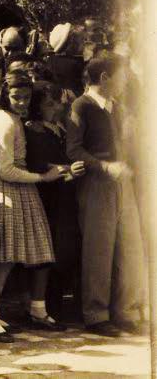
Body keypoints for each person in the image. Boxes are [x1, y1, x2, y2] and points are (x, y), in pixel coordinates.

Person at [0, 71, 66, 343]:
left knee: (33, 252)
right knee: (6, 257)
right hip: (9, 189)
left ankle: (36, 311)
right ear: (5, 95)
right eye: (16, 97)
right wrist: (43, 178)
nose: (22, 102)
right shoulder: (5, 122)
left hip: (22, 189)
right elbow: (5, 170)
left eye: (26, 97)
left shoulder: (14, 118)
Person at [66, 56, 146, 336]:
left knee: (130, 245)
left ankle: (126, 311)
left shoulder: (117, 108)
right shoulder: (81, 106)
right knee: (98, 248)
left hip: (123, 183)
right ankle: (96, 314)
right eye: (121, 77)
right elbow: (74, 150)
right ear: (104, 78)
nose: (125, 82)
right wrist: (104, 167)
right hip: (97, 184)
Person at [24, 82, 85, 322]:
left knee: (66, 249)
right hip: (48, 196)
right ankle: (46, 306)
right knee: (52, 249)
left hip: (65, 194)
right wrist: (70, 170)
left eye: (57, 103)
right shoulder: (35, 129)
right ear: (37, 106)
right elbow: (41, 165)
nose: (55, 107)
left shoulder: (58, 126)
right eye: (49, 104)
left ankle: (58, 304)